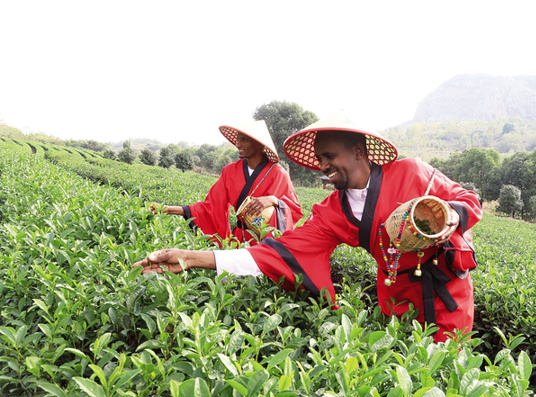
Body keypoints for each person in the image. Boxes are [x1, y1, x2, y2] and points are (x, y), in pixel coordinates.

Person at [135, 112, 482, 342]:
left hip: (445, 296)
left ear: (359, 152)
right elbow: (275, 253)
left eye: (329, 157)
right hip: (394, 299)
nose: (323, 166)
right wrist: (193, 257)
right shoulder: (332, 212)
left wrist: (449, 215)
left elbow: (469, 200)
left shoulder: (411, 172)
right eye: (320, 160)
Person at [150, 120, 303, 246]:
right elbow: (210, 207)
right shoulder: (229, 171)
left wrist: (274, 200)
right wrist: (168, 209)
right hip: (237, 241)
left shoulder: (278, 174)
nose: (237, 144)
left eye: (243, 139)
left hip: (264, 243)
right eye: (237, 139)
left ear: (258, 144)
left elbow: (294, 211)